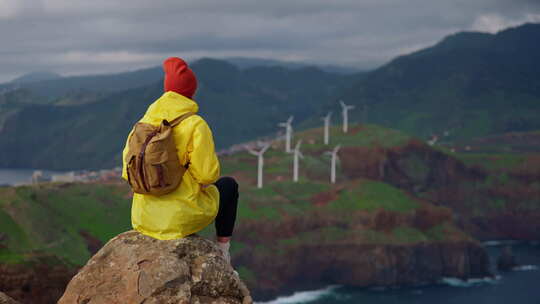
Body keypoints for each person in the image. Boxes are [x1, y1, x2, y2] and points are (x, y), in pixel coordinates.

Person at [121, 57, 238, 264]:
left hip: (143, 219)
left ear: (166, 91)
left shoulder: (143, 123)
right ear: (191, 92)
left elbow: (126, 172)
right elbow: (207, 175)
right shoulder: (194, 124)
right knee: (229, 186)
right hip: (180, 219)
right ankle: (223, 252)